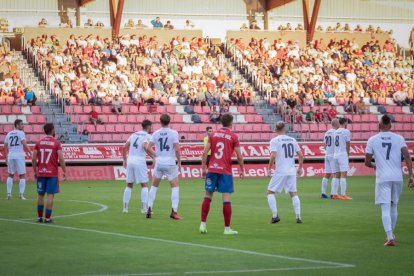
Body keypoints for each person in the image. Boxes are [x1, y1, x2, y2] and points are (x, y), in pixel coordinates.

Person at [365, 115, 414, 246]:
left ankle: (390, 237)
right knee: (394, 206)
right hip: (397, 177)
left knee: (385, 207)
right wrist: (411, 175)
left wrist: (376, 165)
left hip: (383, 178)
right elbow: (408, 157)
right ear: (391, 126)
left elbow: (367, 162)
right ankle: (390, 234)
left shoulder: (372, 140)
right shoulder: (399, 138)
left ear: (379, 125)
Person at [200, 113, 244, 235]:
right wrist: (242, 169)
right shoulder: (233, 136)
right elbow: (239, 156)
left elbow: (204, 153)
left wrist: (204, 168)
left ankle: (203, 225)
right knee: (226, 198)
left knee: (208, 196)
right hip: (225, 171)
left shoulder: (213, 134)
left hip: (212, 169)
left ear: (221, 123)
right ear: (231, 123)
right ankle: (227, 229)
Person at [266, 121, 304, 224]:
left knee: (270, 192)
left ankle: (275, 216)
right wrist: (300, 168)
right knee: (294, 194)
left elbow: (273, 155)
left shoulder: (274, 140)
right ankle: (298, 217)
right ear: (284, 129)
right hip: (291, 170)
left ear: (276, 130)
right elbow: (300, 155)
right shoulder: (292, 140)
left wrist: (269, 169)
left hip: (281, 171)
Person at [146, 114, 182, 220]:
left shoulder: (156, 133)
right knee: (175, 187)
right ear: (169, 121)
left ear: (160, 121)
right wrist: (179, 162)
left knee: (154, 186)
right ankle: (174, 211)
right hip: (170, 163)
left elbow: (148, 147)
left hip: (159, 163)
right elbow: (177, 149)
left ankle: (149, 208)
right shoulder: (173, 133)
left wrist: (156, 155)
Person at [32, 123, 67, 223]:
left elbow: (33, 158)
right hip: (52, 174)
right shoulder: (56, 143)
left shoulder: (38, 143)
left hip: (41, 173)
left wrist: (35, 171)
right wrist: (65, 171)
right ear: (52, 130)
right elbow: (61, 158)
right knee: (50, 195)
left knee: (40, 195)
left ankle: (39, 218)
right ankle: (47, 218)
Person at [122, 120, 155, 214]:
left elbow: (125, 147)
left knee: (129, 184)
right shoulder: (147, 136)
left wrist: (124, 160)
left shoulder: (134, 134)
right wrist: (154, 156)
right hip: (139, 160)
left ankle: (125, 208)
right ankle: (144, 208)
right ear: (149, 127)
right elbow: (145, 146)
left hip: (130, 160)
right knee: (144, 185)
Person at [4, 119, 32, 200]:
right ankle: (21, 195)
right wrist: (31, 152)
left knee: (10, 175)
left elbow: (5, 147)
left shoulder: (9, 134)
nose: (22, 125)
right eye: (21, 124)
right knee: (22, 175)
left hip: (10, 156)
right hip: (19, 155)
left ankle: (9, 194)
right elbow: (24, 143)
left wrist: (6, 157)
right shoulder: (21, 133)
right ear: (16, 125)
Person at [331, 117, 352, 200]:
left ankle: (335, 194)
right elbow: (348, 144)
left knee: (337, 175)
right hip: (342, 154)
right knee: (344, 175)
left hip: (335, 154)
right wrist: (348, 154)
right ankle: (343, 194)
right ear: (345, 123)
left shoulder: (335, 132)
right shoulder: (346, 131)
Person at [321, 119, 339, 198]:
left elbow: (324, 145)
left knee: (327, 174)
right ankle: (333, 193)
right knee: (335, 174)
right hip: (333, 155)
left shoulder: (327, 132)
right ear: (337, 123)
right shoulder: (336, 132)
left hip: (327, 154)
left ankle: (323, 192)